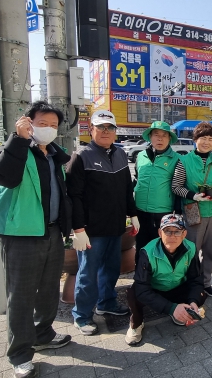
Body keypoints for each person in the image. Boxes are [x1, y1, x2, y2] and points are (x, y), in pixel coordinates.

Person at [0, 101, 72, 378]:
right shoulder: (14, 150)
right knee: (21, 296)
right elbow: (4, 177)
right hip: (21, 235)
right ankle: (20, 354)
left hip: (51, 232)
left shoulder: (53, 156)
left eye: (53, 125)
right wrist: (18, 140)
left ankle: (43, 333)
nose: (48, 129)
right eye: (42, 123)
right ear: (28, 123)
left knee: (49, 289)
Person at [67, 110, 140, 336]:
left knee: (110, 269)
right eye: (101, 127)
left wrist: (133, 214)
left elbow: (127, 189)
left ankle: (106, 302)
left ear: (115, 131)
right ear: (91, 130)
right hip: (91, 230)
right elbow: (74, 197)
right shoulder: (81, 156)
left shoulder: (119, 154)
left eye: (110, 128)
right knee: (88, 274)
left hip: (115, 226)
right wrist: (78, 229)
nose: (106, 131)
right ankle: (82, 315)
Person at [125, 214, 206, 345]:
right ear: (159, 233)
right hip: (154, 289)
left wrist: (193, 302)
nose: (172, 236)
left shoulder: (191, 248)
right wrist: (171, 308)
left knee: (200, 296)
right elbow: (142, 288)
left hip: (176, 287)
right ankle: (136, 323)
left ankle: (182, 312)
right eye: (167, 231)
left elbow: (196, 279)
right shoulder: (147, 252)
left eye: (177, 231)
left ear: (184, 234)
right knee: (133, 294)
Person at [171, 121, 212, 298]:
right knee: (192, 250)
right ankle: (191, 284)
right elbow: (176, 186)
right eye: (203, 138)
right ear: (195, 139)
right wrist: (193, 195)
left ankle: (205, 283)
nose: (206, 142)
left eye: (211, 139)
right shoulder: (184, 161)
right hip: (193, 210)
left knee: (210, 251)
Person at [133, 121, 181, 250]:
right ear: (150, 137)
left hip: (163, 212)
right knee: (141, 247)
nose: (160, 138)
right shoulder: (141, 156)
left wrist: (178, 212)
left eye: (164, 135)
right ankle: (140, 270)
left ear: (169, 138)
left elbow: (179, 186)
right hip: (140, 210)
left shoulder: (177, 159)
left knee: (160, 249)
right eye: (156, 134)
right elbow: (136, 179)